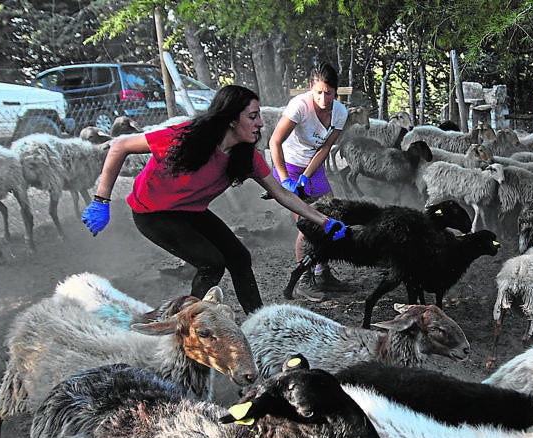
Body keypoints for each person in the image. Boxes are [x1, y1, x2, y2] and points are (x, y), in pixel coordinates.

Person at [80, 84, 345, 314]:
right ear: (231, 119)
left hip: (191, 211)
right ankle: (187, 326)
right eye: (253, 117)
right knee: (211, 263)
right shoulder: (185, 138)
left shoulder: (246, 157)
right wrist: (100, 201)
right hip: (152, 211)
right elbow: (119, 146)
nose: (261, 124)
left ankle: (259, 319)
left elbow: (282, 193)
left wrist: (324, 222)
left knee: (239, 258)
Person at [269, 62, 350, 292]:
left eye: (329, 93)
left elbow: (324, 149)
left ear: (336, 91)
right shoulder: (299, 106)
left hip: (312, 168)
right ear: (311, 88)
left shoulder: (340, 113)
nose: (324, 99)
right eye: (319, 92)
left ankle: (322, 272)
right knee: (308, 223)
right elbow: (275, 141)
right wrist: (286, 179)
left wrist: (307, 176)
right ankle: (303, 278)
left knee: (331, 214)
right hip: (288, 165)